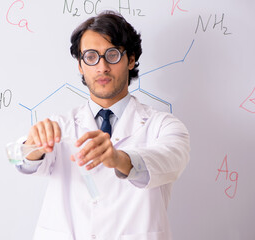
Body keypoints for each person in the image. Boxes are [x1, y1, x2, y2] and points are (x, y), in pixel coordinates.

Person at [16, 11, 190, 240]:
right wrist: (33, 146)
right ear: (80, 65)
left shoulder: (164, 126)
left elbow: (171, 160)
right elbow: (18, 161)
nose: (102, 67)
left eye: (112, 54)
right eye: (90, 57)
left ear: (131, 59)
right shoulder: (59, 125)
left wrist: (118, 158)